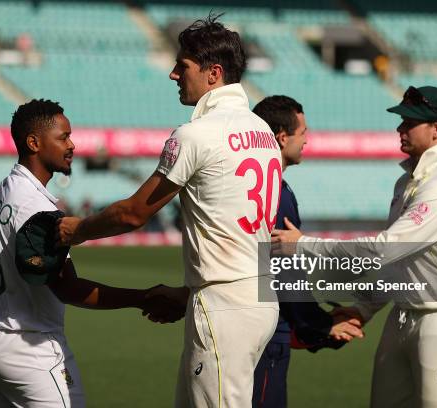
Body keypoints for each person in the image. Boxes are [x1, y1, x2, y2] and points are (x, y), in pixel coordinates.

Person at [57, 15, 284, 407]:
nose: (173, 74)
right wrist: (188, 292)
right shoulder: (264, 131)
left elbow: (133, 213)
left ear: (213, 73)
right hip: (258, 296)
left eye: (183, 66)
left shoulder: (195, 133)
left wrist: (75, 230)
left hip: (224, 305)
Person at [273, 86, 437, 407]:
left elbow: (383, 250)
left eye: (410, 122)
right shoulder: (408, 182)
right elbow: (395, 264)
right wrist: (363, 308)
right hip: (403, 317)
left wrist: (303, 246)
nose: (400, 128)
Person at [0, 99, 183, 408]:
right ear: (34, 143)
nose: (72, 145)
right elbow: (68, 288)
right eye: (63, 137)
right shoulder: (36, 206)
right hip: (29, 345)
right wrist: (143, 297)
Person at [250, 96, 363, 408]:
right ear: (282, 137)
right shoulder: (275, 192)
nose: (307, 140)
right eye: (303, 133)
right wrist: (321, 326)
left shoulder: (253, 185)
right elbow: (283, 274)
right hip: (266, 337)